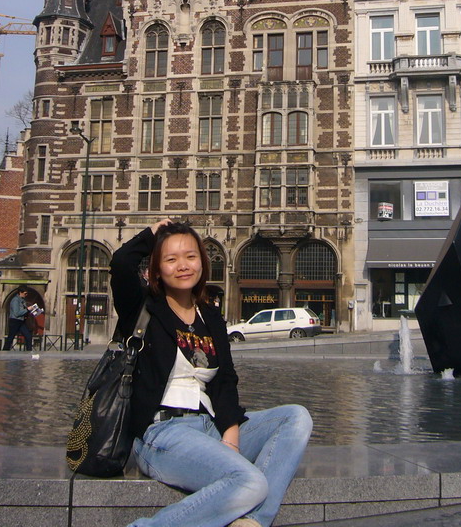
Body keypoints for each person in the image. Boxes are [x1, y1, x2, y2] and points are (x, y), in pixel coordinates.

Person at [110, 219, 312, 527]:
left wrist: (230, 436)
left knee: (296, 417)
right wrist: (152, 233)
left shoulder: (210, 315)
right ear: (156, 268)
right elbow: (121, 263)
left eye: (190, 256)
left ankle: (251, 521)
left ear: (202, 263)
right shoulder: (142, 307)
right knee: (251, 482)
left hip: (210, 426)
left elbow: (225, 380)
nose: (183, 265)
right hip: (162, 432)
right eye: (171, 258)